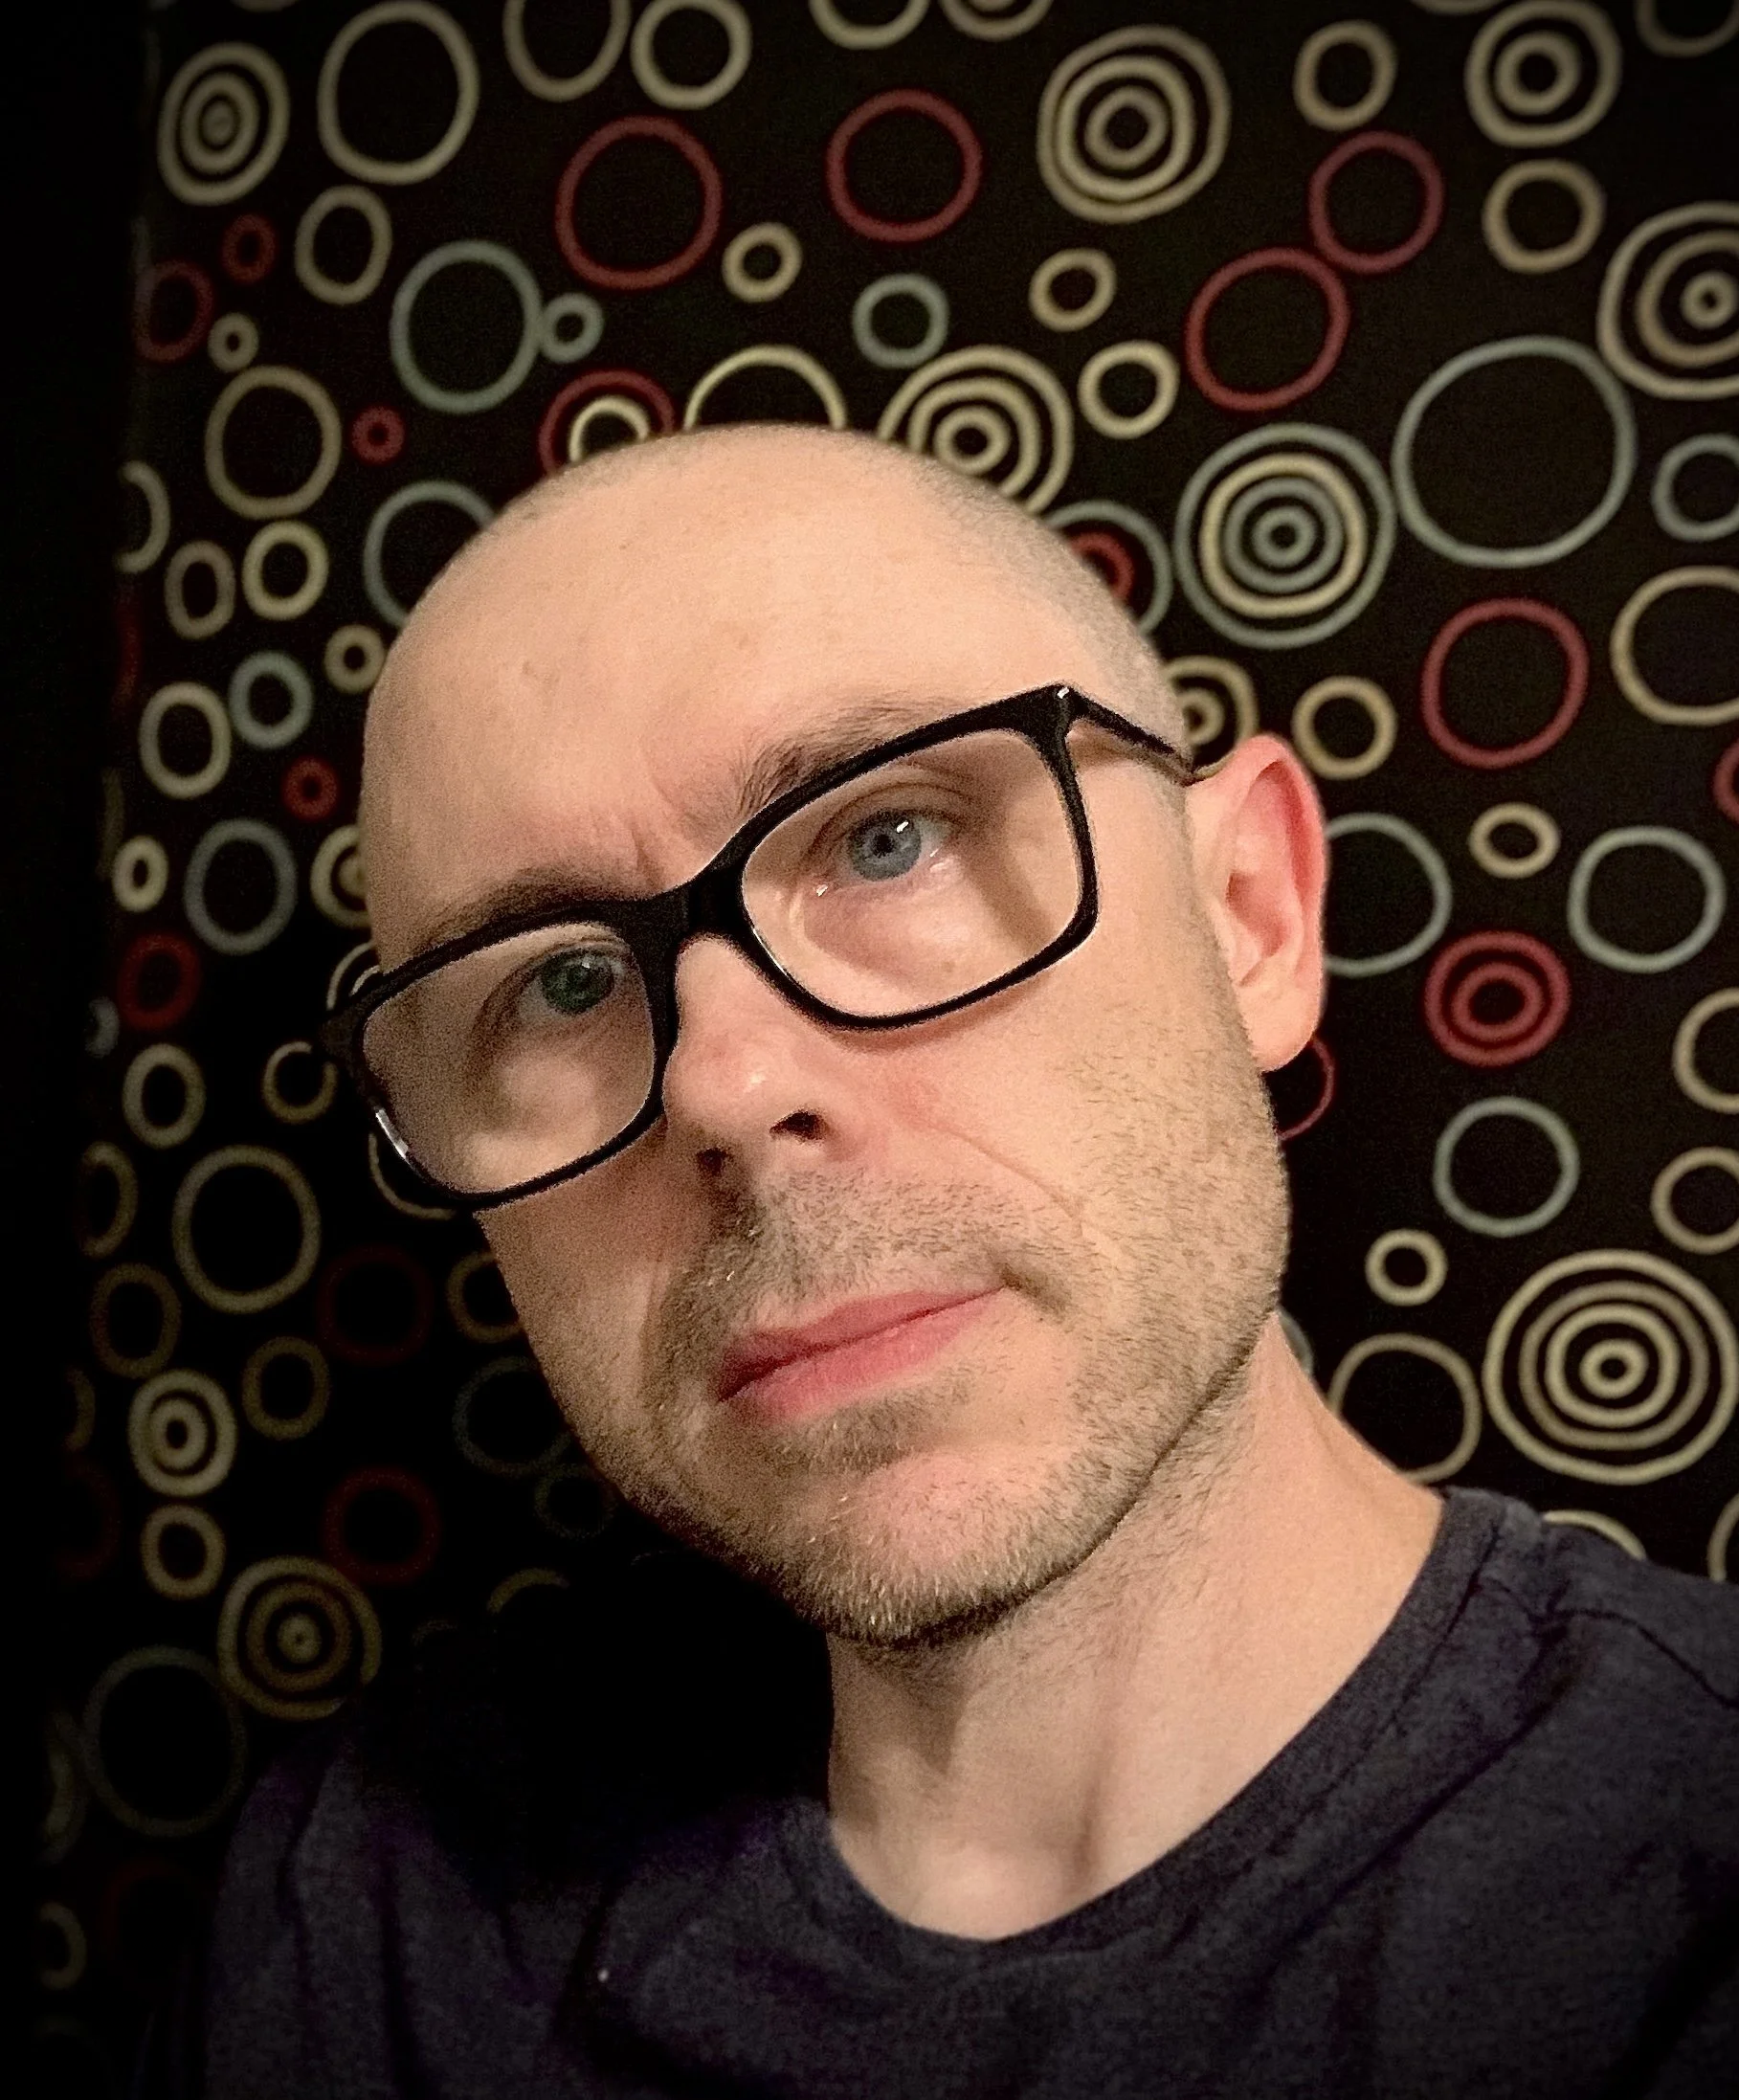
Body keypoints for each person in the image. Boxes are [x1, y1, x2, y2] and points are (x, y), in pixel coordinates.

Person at [182, 427, 1738, 2097]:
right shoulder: (380, 1909)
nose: (725, 1081)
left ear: (1252, 916)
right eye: (555, 986)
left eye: (886, 836)